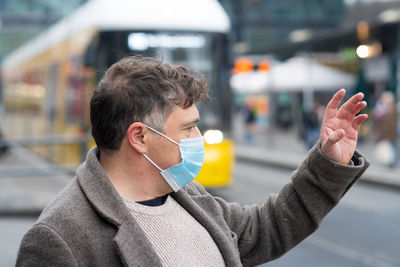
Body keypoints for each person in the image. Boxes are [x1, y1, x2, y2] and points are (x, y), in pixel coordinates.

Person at [16, 56, 369, 266]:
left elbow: (267, 228)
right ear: (139, 137)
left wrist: (327, 161)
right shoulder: (58, 238)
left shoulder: (189, 196)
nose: (198, 140)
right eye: (189, 129)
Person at [373, 91, 398, 168]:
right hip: (386, 133)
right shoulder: (383, 109)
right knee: (391, 147)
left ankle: (392, 162)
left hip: (390, 134)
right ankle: (392, 162)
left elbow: (391, 124)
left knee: (392, 147)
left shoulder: (391, 110)